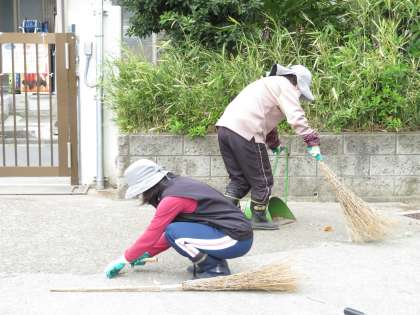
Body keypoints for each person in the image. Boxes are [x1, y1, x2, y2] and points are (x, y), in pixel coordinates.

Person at [105, 159, 253, 279]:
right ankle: (212, 262)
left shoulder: (172, 199)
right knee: (175, 231)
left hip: (236, 239)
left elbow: (154, 233)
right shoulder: (176, 185)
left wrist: (125, 258)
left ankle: (214, 268)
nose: (142, 196)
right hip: (231, 234)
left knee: (172, 230)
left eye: (141, 192)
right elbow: (173, 236)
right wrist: (147, 254)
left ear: (148, 187)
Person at [216, 64, 322, 230]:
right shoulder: (286, 86)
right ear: (297, 83)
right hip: (247, 132)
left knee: (239, 179)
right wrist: (311, 141)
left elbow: (266, 118)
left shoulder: (268, 84)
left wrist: (275, 144)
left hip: (225, 129)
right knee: (263, 179)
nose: (299, 96)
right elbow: (295, 116)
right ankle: (258, 217)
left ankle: (226, 214)